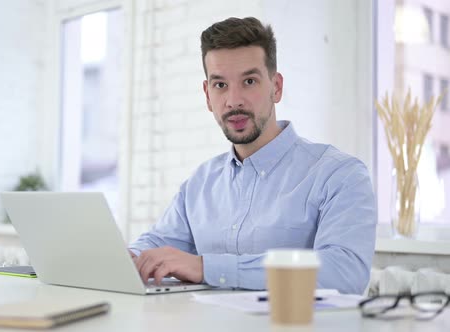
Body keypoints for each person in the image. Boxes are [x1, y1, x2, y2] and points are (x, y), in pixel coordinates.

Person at [128, 17, 376, 295]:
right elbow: (158, 242)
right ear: (208, 96)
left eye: (249, 81)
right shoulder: (199, 184)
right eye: (220, 85)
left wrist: (206, 268)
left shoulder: (340, 175)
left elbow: (344, 273)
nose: (233, 100)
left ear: (276, 87)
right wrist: (127, 257)